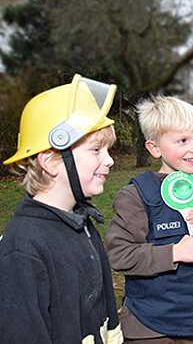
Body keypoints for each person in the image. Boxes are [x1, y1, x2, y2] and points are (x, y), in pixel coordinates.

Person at [0, 75, 122, 343]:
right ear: (51, 161)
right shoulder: (22, 248)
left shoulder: (81, 223)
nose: (110, 160)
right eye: (96, 149)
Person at [105, 96, 193, 343]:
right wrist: (173, 252)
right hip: (148, 326)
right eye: (183, 140)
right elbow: (119, 254)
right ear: (154, 148)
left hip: (192, 320)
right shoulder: (136, 195)